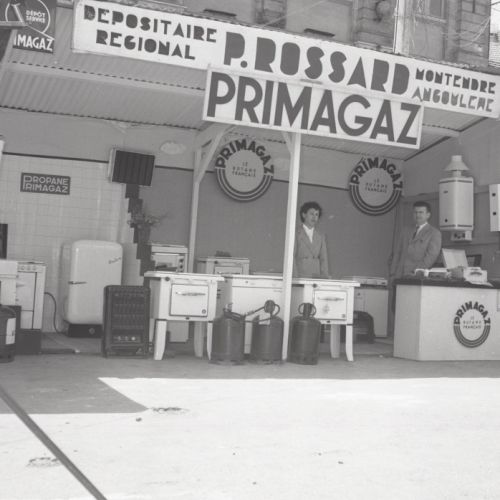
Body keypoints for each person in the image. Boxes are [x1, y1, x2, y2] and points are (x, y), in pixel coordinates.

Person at [387, 200, 442, 335]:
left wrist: (416, 272)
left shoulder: (434, 233)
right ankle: (400, 337)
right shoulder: (405, 231)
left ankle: (409, 337)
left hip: (416, 278)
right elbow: (397, 252)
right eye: (415, 212)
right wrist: (392, 273)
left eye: (421, 212)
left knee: (413, 310)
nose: (418, 215)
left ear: (428, 214)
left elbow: (431, 257)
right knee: (397, 308)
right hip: (399, 276)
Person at [293, 201, 329, 278]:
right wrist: (294, 278)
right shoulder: (295, 233)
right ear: (304, 215)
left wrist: (324, 277)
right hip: (300, 276)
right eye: (311, 214)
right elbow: (291, 257)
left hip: (315, 277)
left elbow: (323, 259)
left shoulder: (320, 236)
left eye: (316, 214)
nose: (314, 217)